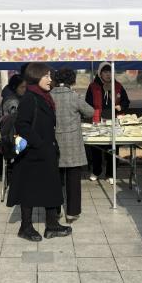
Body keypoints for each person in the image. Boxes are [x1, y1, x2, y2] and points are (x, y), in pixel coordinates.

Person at [7, 62, 72, 241]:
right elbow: (22, 125)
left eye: (50, 76)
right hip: (33, 153)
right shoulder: (30, 98)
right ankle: (25, 227)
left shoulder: (44, 96)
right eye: (46, 76)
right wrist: (40, 144)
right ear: (36, 77)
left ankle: (52, 225)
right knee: (28, 190)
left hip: (45, 151)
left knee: (51, 187)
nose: (50, 79)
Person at [50, 68, 94, 222]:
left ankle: (55, 211)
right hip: (72, 142)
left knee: (55, 179)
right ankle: (72, 212)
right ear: (73, 81)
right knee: (73, 179)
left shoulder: (48, 96)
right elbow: (90, 112)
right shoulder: (75, 97)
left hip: (53, 141)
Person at [85, 62, 130, 184]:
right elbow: (87, 103)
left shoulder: (118, 86)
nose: (108, 74)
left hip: (114, 120)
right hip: (97, 120)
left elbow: (126, 101)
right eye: (105, 72)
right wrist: (93, 111)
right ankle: (96, 171)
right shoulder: (93, 86)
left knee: (113, 147)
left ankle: (110, 173)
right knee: (96, 148)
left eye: (110, 72)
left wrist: (121, 106)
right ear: (100, 73)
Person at [0, 74, 27, 181]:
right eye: (22, 87)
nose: (24, 89)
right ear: (14, 87)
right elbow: (17, 119)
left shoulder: (12, 97)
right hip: (9, 135)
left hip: (5, 133)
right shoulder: (13, 101)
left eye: (25, 87)